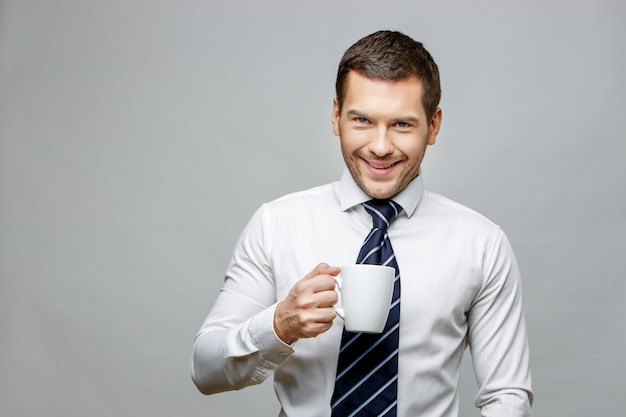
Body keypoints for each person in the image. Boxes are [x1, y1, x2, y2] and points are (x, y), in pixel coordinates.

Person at [191, 30, 533, 417]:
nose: (381, 146)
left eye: (402, 124)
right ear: (337, 116)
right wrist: (279, 325)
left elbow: (507, 397)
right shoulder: (276, 224)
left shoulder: (482, 244)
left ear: (433, 126)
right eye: (363, 120)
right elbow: (205, 370)